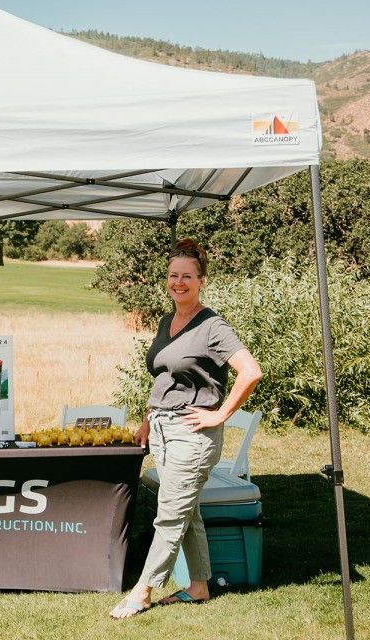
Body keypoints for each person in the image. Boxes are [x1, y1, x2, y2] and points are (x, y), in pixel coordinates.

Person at [111, 238, 262, 619]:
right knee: (187, 511)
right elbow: (163, 377)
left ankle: (142, 591)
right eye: (173, 275)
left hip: (192, 434)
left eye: (187, 276)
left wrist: (219, 414)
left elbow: (251, 371)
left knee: (170, 514)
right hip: (162, 431)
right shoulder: (167, 321)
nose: (179, 282)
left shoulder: (213, 326)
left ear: (201, 280)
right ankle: (198, 586)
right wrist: (148, 419)